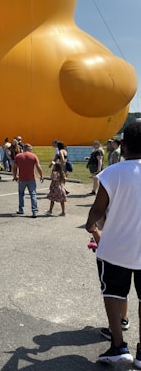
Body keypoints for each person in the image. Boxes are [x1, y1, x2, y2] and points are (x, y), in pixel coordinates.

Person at [85, 121, 141, 365]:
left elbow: (99, 208)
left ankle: (118, 347)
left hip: (115, 249)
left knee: (113, 294)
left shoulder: (113, 172)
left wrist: (90, 224)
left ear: (124, 145)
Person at [13, 143, 44, 217]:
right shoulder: (33, 156)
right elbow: (38, 167)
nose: (32, 150)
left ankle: (21, 209)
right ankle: (34, 211)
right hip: (31, 178)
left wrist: (15, 175)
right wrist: (41, 175)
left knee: (21, 194)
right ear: (28, 148)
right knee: (33, 194)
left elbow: (14, 167)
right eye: (31, 149)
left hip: (22, 178)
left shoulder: (18, 156)